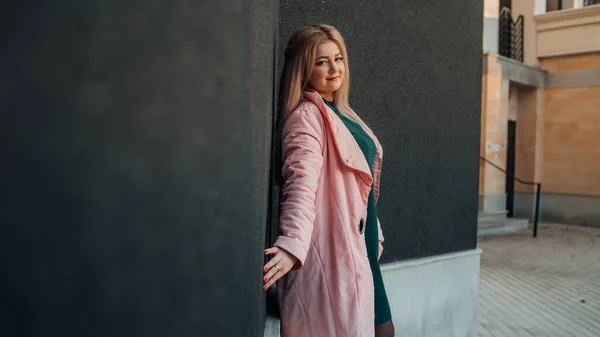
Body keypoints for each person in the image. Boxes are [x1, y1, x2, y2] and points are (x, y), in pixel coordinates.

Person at [262, 24, 394, 337]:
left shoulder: (341, 111)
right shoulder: (306, 117)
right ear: (303, 68)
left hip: (361, 247)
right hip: (336, 251)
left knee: (383, 331)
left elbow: (358, 187)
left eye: (338, 58)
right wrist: (292, 243)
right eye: (322, 61)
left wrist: (375, 232)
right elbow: (301, 183)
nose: (334, 68)